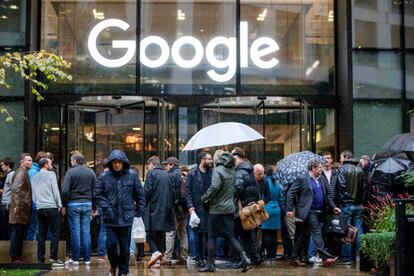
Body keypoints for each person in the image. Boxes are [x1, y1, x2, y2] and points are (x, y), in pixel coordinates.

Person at [95, 150, 145, 276]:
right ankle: (113, 265)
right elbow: (97, 194)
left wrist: (139, 210)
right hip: (110, 217)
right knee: (111, 245)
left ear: (123, 163)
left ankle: (123, 271)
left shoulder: (132, 175)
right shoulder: (104, 177)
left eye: (119, 162)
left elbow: (139, 195)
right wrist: (106, 207)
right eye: (114, 162)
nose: (117, 164)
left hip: (126, 217)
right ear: (111, 163)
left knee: (125, 247)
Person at [200, 151, 251, 273]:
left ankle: (210, 264)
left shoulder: (218, 170)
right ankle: (244, 258)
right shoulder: (232, 170)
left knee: (212, 236)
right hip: (229, 208)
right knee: (229, 235)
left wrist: (205, 197)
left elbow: (215, 187)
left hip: (217, 209)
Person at [286, 158, 339, 267]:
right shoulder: (302, 178)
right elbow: (291, 193)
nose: (321, 169)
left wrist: (333, 207)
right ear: (313, 168)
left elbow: (328, 195)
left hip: (320, 212)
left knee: (302, 235)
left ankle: (295, 258)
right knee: (316, 231)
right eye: (320, 167)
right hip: (308, 211)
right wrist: (289, 209)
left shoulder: (322, 179)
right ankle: (326, 257)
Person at [62, 152, 97, 265]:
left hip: (73, 204)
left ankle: (75, 258)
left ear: (74, 161)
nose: (71, 162)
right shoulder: (91, 172)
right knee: (86, 232)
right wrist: (94, 206)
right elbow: (95, 190)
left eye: (71, 160)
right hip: (87, 204)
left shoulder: (70, 172)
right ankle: (87, 259)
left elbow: (65, 191)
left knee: (75, 231)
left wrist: (64, 204)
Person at [31, 158, 64, 266]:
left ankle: (40, 258)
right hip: (51, 207)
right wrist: (59, 204)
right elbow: (55, 190)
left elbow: (34, 194)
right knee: (55, 233)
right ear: (45, 165)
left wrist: (37, 202)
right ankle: (53, 258)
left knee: (41, 234)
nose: (51, 165)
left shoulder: (35, 177)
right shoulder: (51, 175)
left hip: (40, 208)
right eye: (50, 163)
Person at [232, 147, 261, 265]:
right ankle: (255, 257)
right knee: (248, 234)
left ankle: (240, 259)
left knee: (233, 235)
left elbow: (238, 188)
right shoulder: (250, 170)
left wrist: (232, 196)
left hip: (242, 208)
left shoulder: (239, 171)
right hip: (250, 206)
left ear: (238, 158)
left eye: (233, 157)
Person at [144, 156, 175, 267]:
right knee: (160, 234)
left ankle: (156, 252)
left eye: (148, 166)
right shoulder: (168, 175)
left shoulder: (151, 174)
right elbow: (173, 192)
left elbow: (147, 192)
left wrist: (142, 203)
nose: (148, 168)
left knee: (148, 233)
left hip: (153, 208)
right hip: (167, 209)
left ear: (151, 164)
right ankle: (159, 258)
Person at [337, 150, 366, 265]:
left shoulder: (343, 169)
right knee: (359, 231)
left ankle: (346, 257)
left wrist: (344, 201)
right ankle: (360, 255)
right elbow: (365, 189)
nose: (340, 159)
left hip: (347, 205)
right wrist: (360, 200)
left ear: (346, 157)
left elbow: (341, 187)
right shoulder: (360, 170)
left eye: (341, 157)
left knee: (346, 231)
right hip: (359, 205)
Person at [185, 152, 213, 267]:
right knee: (198, 235)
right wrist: (190, 207)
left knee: (209, 235)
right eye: (209, 159)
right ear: (202, 160)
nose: (211, 161)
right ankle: (199, 257)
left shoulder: (212, 173)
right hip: (197, 209)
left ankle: (209, 258)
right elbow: (188, 192)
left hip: (210, 209)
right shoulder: (192, 174)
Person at [163, 157, 188, 264]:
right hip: (183, 209)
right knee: (183, 233)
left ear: (172, 165)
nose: (166, 167)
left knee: (170, 233)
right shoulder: (183, 175)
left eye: (167, 164)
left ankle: (167, 257)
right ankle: (184, 256)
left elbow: (168, 194)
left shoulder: (170, 176)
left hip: (174, 209)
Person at [8, 153, 33, 263]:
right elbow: (16, 190)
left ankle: (17, 256)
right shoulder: (21, 173)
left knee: (19, 233)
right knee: (17, 233)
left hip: (22, 208)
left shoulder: (23, 172)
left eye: (31, 160)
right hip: (19, 209)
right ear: (22, 162)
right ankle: (15, 257)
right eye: (28, 160)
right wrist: (17, 207)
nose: (31, 162)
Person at [259, 166, 284, 262]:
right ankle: (273, 256)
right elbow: (281, 198)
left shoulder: (264, 182)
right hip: (276, 209)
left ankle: (266, 255)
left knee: (266, 233)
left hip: (266, 208)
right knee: (274, 234)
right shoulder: (277, 183)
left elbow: (261, 195)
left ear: (265, 173)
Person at [26, 151, 47, 241]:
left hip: (37, 203)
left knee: (36, 228)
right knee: (34, 229)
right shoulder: (34, 172)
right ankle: (31, 252)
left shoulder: (36, 170)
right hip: (36, 204)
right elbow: (33, 189)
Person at [0, 157, 14, 240]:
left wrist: (9, 204)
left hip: (6, 205)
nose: (1, 167)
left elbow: (14, 190)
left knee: (5, 228)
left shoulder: (11, 174)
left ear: (7, 165)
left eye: (2, 165)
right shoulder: (8, 174)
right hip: (4, 204)